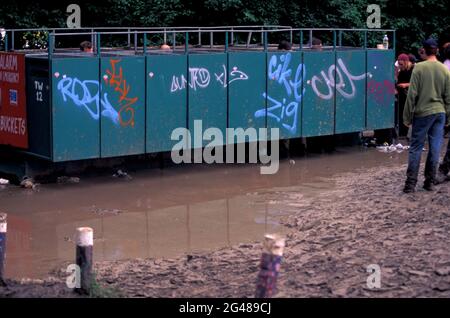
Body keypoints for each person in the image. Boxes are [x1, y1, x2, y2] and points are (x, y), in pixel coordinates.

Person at [402, 39, 450, 193]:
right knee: (435, 148)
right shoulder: (444, 70)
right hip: (440, 113)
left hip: (422, 113)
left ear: (424, 50)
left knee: (416, 148)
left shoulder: (419, 68)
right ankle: (429, 182)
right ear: (436, 51)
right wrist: (448, 117)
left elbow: (412, 95)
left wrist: (406, 117)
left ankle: (410, 184)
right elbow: (448, 97)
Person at [396, 53, 415, 137]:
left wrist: (406, 85)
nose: (400, 66)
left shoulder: (414, 69)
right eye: (399, 64)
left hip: (410, 95)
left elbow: (418, 83)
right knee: (401, 114)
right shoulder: (402, 70)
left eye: (401, 64)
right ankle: (402, 133)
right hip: (401, 95)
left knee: (408, 114)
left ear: (406, 62)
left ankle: (406, 133)